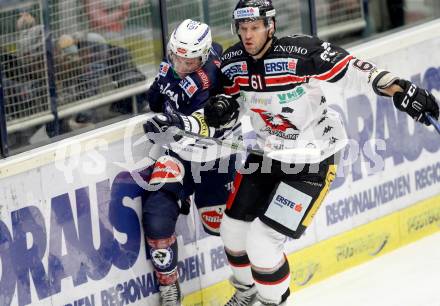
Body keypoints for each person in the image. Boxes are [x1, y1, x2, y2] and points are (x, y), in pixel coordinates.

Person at [197, 0, 438, 305]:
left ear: (270, 27)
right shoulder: (233, 61)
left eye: (255, 27)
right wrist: (222, 111)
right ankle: (247, 293)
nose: (248, 35)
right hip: (267, 155)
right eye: (243, 28)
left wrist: (402, 90)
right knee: (231, 230)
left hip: (311, 161)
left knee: (261, 242)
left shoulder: (298, 53)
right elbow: (230, 101)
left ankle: (273, 302)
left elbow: (352, 68)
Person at [141, 19, 237, 305]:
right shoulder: (171, 68)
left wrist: (169, 119)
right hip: (180, 155)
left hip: (214, 159)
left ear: (204, 57)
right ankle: (169, 288)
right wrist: (160, 90)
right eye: (176, 57)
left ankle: (248, 285)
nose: (181, 65)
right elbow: (156, 102)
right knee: (156, 215)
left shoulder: (215, 77)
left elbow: (205, 122)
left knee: (226, 228)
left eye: (190, 60)